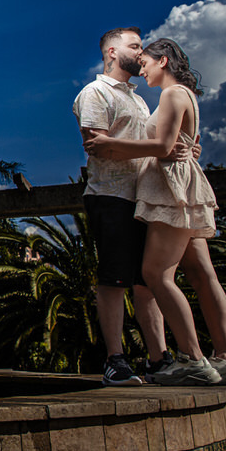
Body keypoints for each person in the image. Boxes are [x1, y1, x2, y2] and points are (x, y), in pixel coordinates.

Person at [85, 38, 226, 385]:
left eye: (146, 61)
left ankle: (192, 359)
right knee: (202, 273)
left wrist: (108, 144)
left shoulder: (171, 94)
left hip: (170, 190)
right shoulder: (181, 95)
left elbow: (163, 147)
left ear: (162, 61)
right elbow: (174, 142)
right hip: (185, 185)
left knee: (156, 273)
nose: (142, 67)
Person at [74, 27, 173, 386]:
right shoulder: (95, 92)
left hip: (144, 197)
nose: (141, 52)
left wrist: (171, 149)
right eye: (134, 46)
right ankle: (115, 361)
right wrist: (157, 148)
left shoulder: (139, 100)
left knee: (147, 281)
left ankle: (159, 359)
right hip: (110, 195)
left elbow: (134, 146)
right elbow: (97, 147)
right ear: (112, 52)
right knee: (114, 279)